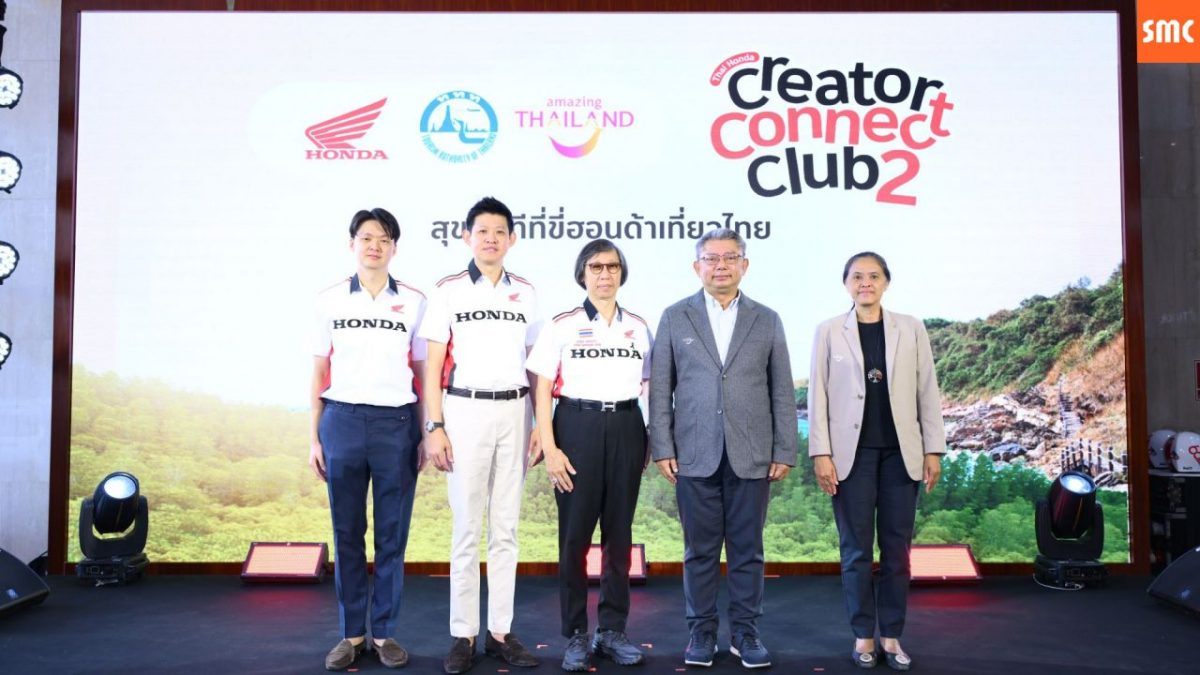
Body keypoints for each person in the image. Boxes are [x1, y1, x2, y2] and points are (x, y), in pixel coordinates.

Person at [649, 228, 796, 670]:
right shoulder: (675, 317)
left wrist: (784, 449)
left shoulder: (767, 319)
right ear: (697, 267)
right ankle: (701, 632)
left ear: (744, 265)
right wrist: (662, 446)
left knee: (748, 551)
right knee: (699, 552)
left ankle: (746, 633)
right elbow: (660, 389)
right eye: (711, 258)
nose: (721, 266)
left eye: (730, 258)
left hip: (752, 453)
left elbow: (781, 390)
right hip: (694, 453)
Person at [419, 196, 541, 674]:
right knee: (467, 527)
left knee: (506, 527)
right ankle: (463, 634)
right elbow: (432, 366)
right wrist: (434, 427)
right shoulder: (448, 290)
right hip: (464, 410)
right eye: (482, 231)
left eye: (499, 231)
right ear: (467, 236)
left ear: (512, 239)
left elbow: (537, 368)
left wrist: (541, 424)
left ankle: (500, 632)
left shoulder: (526, 292)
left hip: (515, 411)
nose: (491, 239)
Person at [808, 251, 945, 672]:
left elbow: (927, 390)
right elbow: (818, 396)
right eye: (857, 276)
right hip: (851, 457)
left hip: (901, 455)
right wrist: (820, 453)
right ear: (846, 283)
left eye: (873, 276)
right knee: (855, 551)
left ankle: (892, 636)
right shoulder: (829, 331)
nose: (865, 283)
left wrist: (933, 449)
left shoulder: (911, 327)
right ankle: (863, 636)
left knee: (897, 552)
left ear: (886, 282)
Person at [308, 208, 427, 671]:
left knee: (392, 535)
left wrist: (426, 431)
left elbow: (422, 371)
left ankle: (384, 633)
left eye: (384, 239)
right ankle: (351, 634)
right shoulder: (329, 300)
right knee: (347, 532)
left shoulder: (414, 302)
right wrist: (314, 437)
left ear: (394, 247)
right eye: (366, 238)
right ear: (352, 244)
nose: (374, 246)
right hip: (341, 420)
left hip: (397, 423)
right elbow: (319, 370)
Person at [527, 239, 653, 672]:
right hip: (575, 426)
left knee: (619, 537)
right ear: (582, 273)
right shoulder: (561, 324)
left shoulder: (639, 326)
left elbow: (650, 385)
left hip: (627, 426)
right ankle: (577, 634)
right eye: (596, 267)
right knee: (575, 539)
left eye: (612, 267)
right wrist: (550, 447)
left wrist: (649, 437)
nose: (605, 274)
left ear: (622, 273)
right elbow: (542, 388)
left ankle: (612, 631)